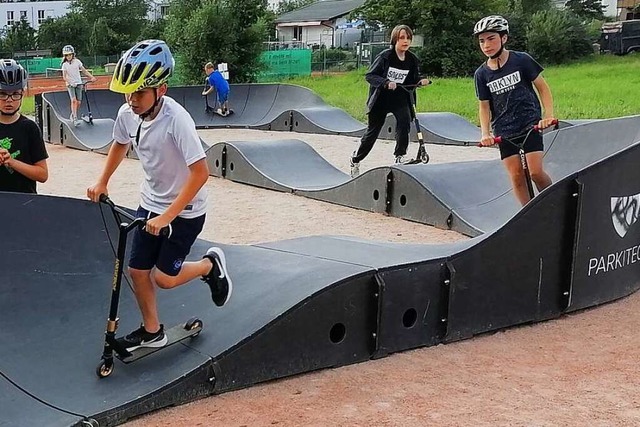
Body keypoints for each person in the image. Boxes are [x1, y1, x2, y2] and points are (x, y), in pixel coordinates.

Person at [86, 40, 232, 352]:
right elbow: (119, 144)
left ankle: (209, 266)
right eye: (129, 91)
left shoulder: (176, 120)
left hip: (186, 209)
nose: (132, 99)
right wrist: (102, 181)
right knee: (137, 271)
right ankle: (153, 331)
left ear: (161, 90)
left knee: (164, 279)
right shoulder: (128, 113)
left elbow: (201, 172)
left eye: (140, 92)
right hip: (150, 203)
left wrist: (169, 216)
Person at [473, 15, 555, 206]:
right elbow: (484, 106)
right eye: (482, 41)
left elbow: (543, 88)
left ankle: (554, 202)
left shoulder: (521, 60)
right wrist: (485, 133)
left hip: (529, 124)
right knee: (517, 177)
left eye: (491, 38)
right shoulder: (481, 74)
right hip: (504, 131)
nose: (486, 45)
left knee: (535, 172)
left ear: (504, 38)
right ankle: (527, 217)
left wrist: (548, 115)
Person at [349, 24, 431, 178]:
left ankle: (400, 155)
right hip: (381, 99)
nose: (405, 41)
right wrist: (386, 82)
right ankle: (356, 158)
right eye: (401, 38)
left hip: (400, 98)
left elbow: (413, 78)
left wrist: (421, 81)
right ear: (395, 40)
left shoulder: (412, 59)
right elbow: (370, 76)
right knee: (372, 132)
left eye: (408, 38)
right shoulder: (385, 56)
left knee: (404, 122)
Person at [0, 59, 48, 193]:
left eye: (15, 94)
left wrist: (12, 162)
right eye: (2, 93)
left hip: (24, 203)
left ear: (22, 93)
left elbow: (43, 175)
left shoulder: (29, 128)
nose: (9, 100)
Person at [61, 45, 96, 126]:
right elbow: (64, 77)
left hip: (79, 83)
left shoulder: (77, 62)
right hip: (70, 85)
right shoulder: (65, 65)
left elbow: (84, 71)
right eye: (67, 55)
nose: (69, 56)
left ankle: (73, 114)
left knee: (79, 102)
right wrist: (70, 82)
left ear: (73, 54)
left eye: (70, 54)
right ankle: (75, 118)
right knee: (73, 100)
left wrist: (91, 77)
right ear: (65, 56)